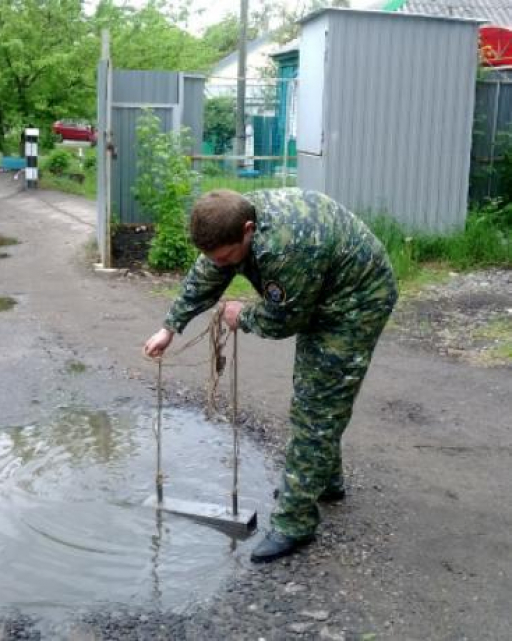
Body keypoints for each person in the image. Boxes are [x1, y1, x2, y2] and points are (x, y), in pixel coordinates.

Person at [143, 188, 398, 563]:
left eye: (229, 257)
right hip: (320, 289)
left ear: (248, 230)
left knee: (318, 406)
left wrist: (241, 316)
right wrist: (170, 327)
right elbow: (209, 272)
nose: (222, 263)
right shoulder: (227, 221)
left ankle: (295, 523)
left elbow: (284, 320)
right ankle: (323, 482)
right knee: (315, 396)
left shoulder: (286, 248)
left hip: (355, 301)